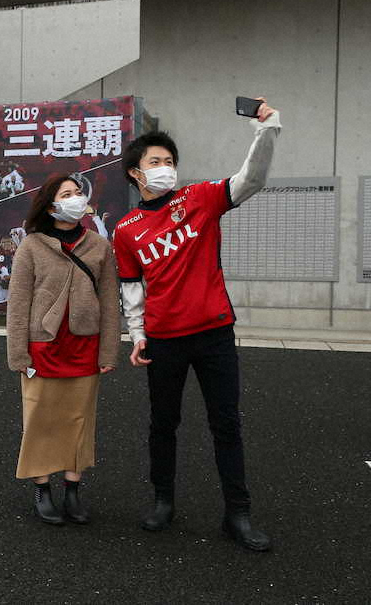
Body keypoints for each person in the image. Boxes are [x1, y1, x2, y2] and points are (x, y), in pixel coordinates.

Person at [112, 98, 281, 552]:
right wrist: (137, 335)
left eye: (170, 161)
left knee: (226, 424)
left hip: (214, 334)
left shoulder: (200, 197)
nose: (165, 167)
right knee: (162, 424)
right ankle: (163, 501)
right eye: (155, 162)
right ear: (135, 172)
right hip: (164, 340)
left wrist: (267, 130)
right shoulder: (126, 229)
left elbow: (253, 180)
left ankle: (238, 514)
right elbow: (132, 287)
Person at [6, 174, 120, 525]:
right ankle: (42, 488)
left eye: (78, 193)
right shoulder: (32, 246)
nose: (75, 198)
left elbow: (109, 303)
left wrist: (109, 352)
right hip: (43, 346)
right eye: (66, 194)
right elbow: (18, 303)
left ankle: (73, 489)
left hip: (85, 346)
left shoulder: (99, 246)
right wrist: (18, 354)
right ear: (52, 205)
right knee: (40, 418)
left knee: (79, 420)